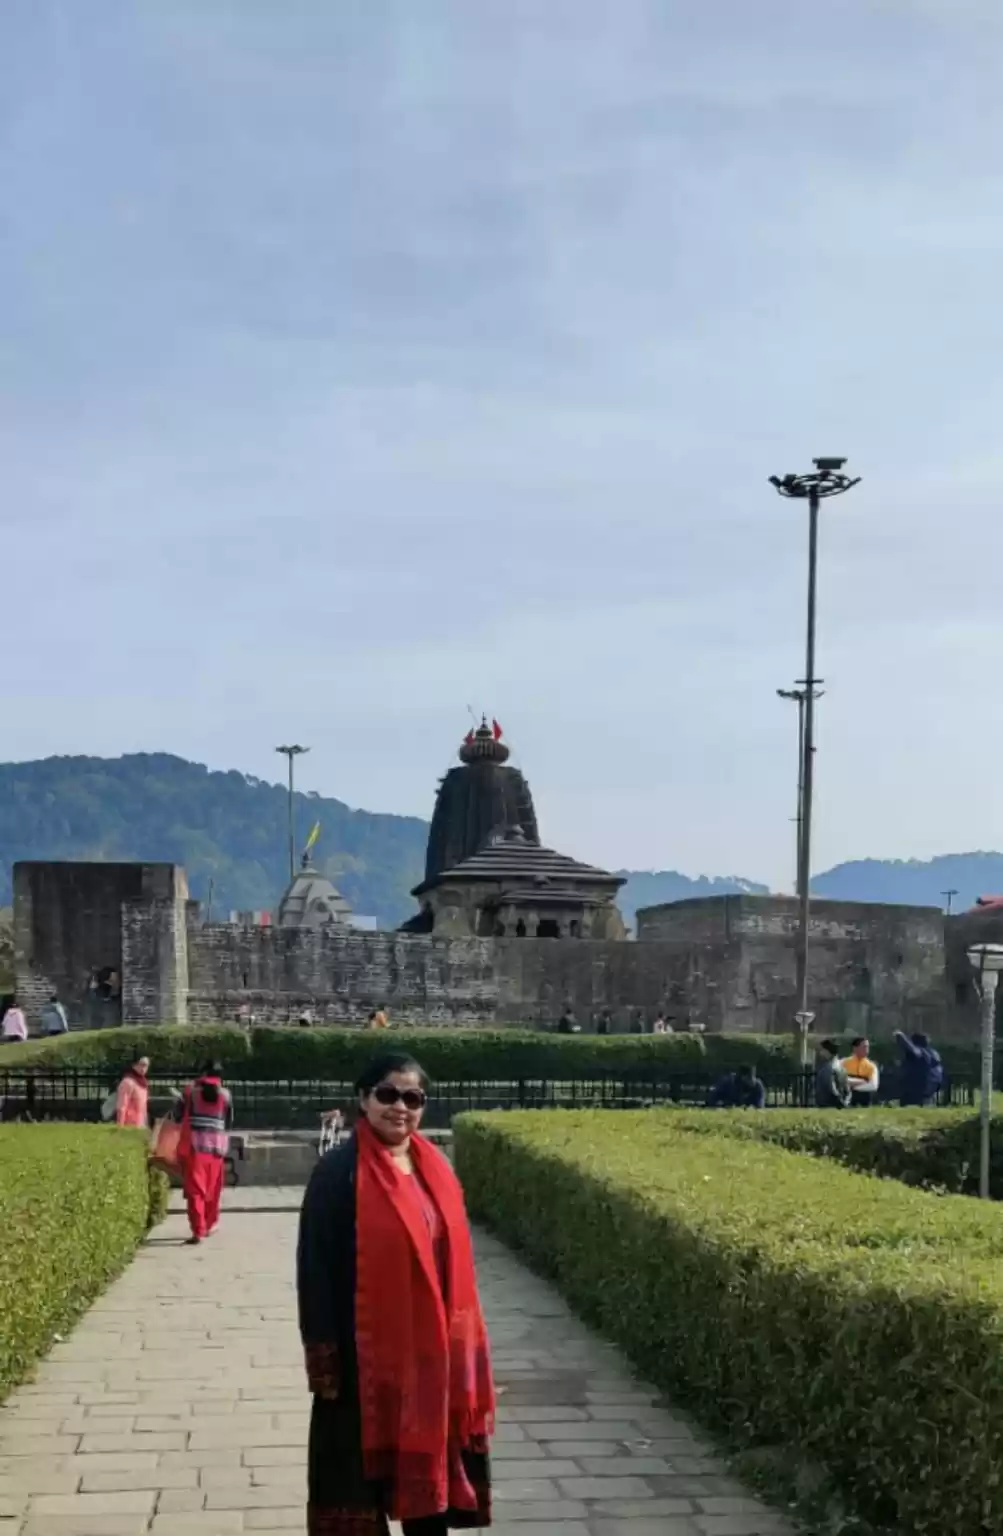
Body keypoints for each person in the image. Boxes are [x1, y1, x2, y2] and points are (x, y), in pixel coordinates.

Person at [298, 1053, 495, 1534]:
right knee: (358, 1487)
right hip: (364, 1358)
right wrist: (324, 1358)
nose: (399, 1107)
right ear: (363, 1100)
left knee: (429, 1498)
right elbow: (314, 1269)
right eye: (387, 1094)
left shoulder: (437, 1169)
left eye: (412, 1098)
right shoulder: (339, 1173)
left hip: (430, 1358)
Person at [174, 1060, 233, 1245]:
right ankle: (210, 1224)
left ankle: (197, 1231)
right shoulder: (226, 1095)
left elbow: (177, 1116)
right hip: (217, 1147)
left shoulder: (189, 1092)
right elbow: (229, 1122)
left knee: (195, 1191)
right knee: (213, 1188)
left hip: (195, 1147)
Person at [894, 1030, 944, 1107]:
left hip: (917, 1089)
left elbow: (910, 1048)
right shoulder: (934, 1053)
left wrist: (899, 1035)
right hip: (931, 1088)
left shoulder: (920, 1052)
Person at [815, 1039, 852, 1109]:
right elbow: (847, 1090)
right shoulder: (842, 1067)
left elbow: (831, 1089)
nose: (820, 1053)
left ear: (827, 1051)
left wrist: (839, 1103)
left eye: (822, 1050)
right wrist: (845, 1102)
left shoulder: (828, 1068)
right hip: (838, 1105)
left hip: (827, 1106)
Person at [841, 1037, 879, 1104]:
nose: (867, 1050)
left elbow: (873, 1086)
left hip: (865, 1102)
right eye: (864, 1047)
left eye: (867, 1047)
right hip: (846, 1100)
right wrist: (863, 1082)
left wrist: (852, 1086)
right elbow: (840, 1082)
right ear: (855, 1048)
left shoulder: (871, 1066)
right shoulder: (843, 1063)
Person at [115, 1056, 151, 1127]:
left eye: (146, 1066)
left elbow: (143, 1108)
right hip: (129, 1124)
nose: (143, 1068)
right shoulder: (127, 1082)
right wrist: (120, 1126)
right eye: (142, 1065)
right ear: (134, 1065)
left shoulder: (143, 1083)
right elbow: (122, 1106)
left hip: (141, 1123)